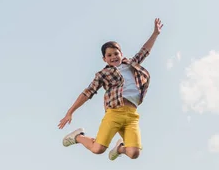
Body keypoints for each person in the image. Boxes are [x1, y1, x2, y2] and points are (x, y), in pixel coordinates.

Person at [58, 18, 164, 161]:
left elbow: (145, 50)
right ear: (104, 59)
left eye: (116, 53)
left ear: (121, 53)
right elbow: (87, 93)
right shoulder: (103, 74)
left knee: (134, 153)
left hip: (132, 115)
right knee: (98, 149)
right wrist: (70, 112)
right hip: (114, 113)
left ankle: (119, 148)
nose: (113, 57)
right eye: (109, 55)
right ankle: (78, 137)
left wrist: (155, 33)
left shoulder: (132, 64)